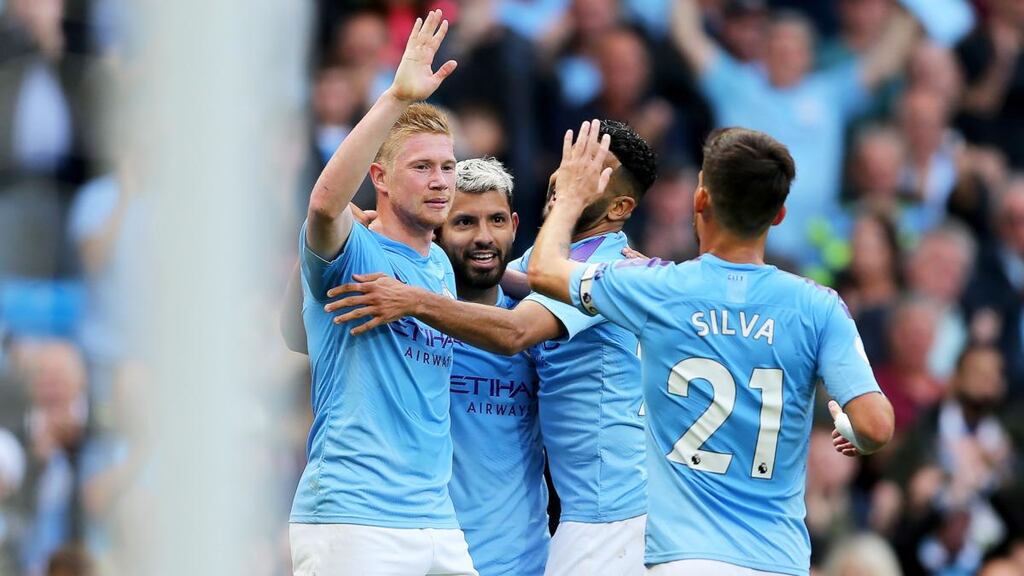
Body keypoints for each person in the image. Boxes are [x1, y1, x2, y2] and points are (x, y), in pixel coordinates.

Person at [527, 122, 895, 575]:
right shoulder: (818, 306)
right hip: (777, 559)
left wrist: (569, 197)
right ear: (778, 215)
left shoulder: (657, 289)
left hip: (685, 558)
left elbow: (543, 270)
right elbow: (876, 426)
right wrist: (851, 430)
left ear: (700, 200)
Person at [324, 119, 658, 575]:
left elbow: (513, 333)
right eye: (570, 163)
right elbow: (514, 272)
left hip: (610, 517)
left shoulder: (608, 271)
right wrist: (380, 232)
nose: (569, 178)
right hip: (438, 541)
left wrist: (413, 299)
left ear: (619, 206)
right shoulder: (541, 274)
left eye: (590, 172)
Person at [283, 157, 550, 576]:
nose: (484, 237)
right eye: (464, 223)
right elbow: (298, 334)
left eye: (496, 220)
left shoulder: (533, 324)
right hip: (409, 542)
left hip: (522, 563)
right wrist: (320, 245)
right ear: (437, 229)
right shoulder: (392, 310)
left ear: (515, 225)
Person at [289, 10, 476, 576]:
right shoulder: (353, 249)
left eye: (447, 166)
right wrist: (396, 97)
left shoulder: (441, 263)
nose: (441, 180)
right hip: (354, 516)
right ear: (381, 178)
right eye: (421, 166)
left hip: (435, 517)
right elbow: (323, 203)